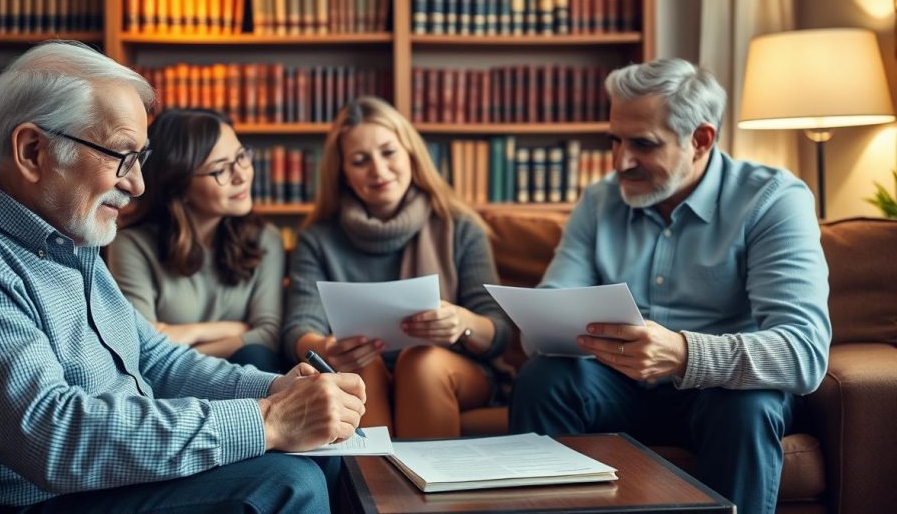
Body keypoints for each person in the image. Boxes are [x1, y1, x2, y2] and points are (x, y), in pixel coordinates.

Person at [0, 41, 366, 514]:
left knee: (319, 458)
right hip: (31, 501)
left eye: (141, 158)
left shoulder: (67, 240)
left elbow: (154, 360)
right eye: (120, 156)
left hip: (98, 485)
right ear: (32, 151)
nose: (137, 184)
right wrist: (267, 421)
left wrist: (276, 390)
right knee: (288, 484)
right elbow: (55, 435)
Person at [509, 58, 831, 514]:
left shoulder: (773, 200)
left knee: (747, 406)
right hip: (616, 385)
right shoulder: (600, 201)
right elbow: (544, 311)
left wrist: (683, 354)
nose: (620, 162)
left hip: (719, 393)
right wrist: (543, 325)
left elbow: (803, 352)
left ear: (700, 140)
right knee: (542, 380)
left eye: (642, 144)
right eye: (614, 140)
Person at [282, 95, 513, 439]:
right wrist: (325, 347)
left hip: (453, 369)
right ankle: (379, 491)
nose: (378, 170)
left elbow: (499, 332)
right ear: (343, 172)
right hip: (364, 368)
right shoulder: (318, 240)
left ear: (411, 153)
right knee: (359, 367)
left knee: (420, 362)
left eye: (388, 152)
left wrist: (461, 323)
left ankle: (432, 488)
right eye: (360, 160)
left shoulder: (461, 228)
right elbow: (299, 329)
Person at [108, 109, 283, 373]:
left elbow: (269, 335)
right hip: (170, 385)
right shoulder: (132, 244)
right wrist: (237, 330)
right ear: (179, 185)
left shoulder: (265, 238)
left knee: (256, 355)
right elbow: (141, 347)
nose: (242, 175)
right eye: (220, 169)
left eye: (241, 157)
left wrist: (187, 333)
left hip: (247, 375)